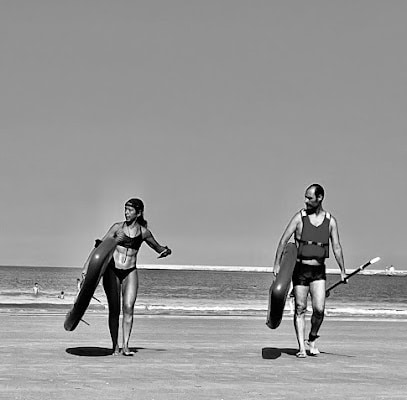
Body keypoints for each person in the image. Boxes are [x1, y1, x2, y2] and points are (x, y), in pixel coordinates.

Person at [81, 198, 172, 356]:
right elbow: (100, 246)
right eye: (125, 209)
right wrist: (86, 267)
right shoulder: (117, 228)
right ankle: (115, 346)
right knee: (114, 309)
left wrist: (165, 251)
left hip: (130, 271)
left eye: (130, 210)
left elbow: (157, 247)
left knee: (128, 308)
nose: (126, 213)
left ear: (138, 213)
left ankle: (126, 346)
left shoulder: (143, 232)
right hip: (112, 271)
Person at [273, 184, 346, 358]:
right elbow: (283, 240)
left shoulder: (331, 221)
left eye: (309, 198)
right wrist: (276, 264)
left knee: (319, 310)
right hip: (300, 269)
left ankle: (312, 338)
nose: (306, 201)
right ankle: (302, 348)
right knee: (300, 308)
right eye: (305, 197)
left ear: (319, 198)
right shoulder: (299, 218)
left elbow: (336, 247)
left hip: (318, 270)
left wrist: (343, 270)